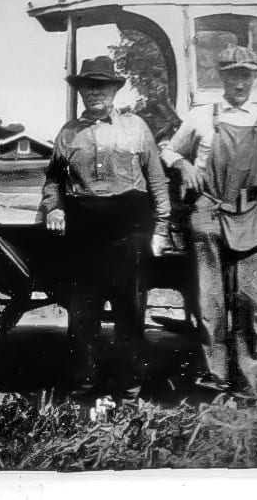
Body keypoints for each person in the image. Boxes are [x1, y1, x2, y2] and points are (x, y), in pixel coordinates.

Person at [160, 45, 257, 400]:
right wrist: (183, 165)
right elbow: (169, 149)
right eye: (233, 74)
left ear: (254, 78)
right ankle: (215, 379)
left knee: (251, 303)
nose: (240, 82)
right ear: (221, 77)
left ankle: (249, 385)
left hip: (251, 213)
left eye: (246, 75)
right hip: (208, 214)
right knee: (211, 302)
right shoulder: (200, 115)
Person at [40, 55, 171, 398]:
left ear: (115, 90)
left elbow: (156, 180)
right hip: (85, 233)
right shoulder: (68, 133)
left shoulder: (136, 127)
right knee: (84, 311)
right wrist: (53, 208)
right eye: (89, 87)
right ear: (81, 91)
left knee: (130, 309)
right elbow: (53, 178)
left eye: (103, 86)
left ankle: (129, 384)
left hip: (130, 229)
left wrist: (161, 228)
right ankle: (86, 382)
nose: (95, 93)